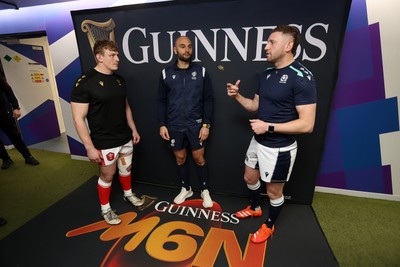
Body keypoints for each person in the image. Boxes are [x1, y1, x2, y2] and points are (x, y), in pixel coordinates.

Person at [226, 25, 317, 243]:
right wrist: (237, 97)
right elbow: (255, 106)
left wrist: (269, 127)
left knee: (274, 193)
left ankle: (269, 225)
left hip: (279, 148)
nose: (266, 47)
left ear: (288, 45)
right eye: (267, 42)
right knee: (249, 177)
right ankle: (256, 207)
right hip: (258, 140)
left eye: (271, 43)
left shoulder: (302, 77)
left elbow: (307, 125)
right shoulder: (267, 74)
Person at [70, 40, 144, 225]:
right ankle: (106, 209)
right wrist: (89, 148)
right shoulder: (84, 82)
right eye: (112, 55)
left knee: (126, 169)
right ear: (99, 57)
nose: (117, 59)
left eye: (117, 54)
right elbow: (78, 118)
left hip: (124, 136)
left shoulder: (119, 80)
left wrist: (133, 128)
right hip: (104, 141)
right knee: (108, 175)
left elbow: (126, 106)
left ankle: (128, 194)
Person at [157, 36, 214, 208]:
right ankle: (186, 188)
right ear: (175, 50)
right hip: (174, 125)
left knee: (199, 158)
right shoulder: (166, 73)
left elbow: (208, 100)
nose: (186, 50)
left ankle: (204, 190)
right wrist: (162, 124)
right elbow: (161, 100)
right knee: (180, 158)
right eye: (182, 46)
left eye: (189, 46)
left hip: (195, 125)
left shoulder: (201, 72)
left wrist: (206, 124)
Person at [0, 73, 40, 169]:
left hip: (2, 113)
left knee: (14, 135)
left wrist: (15, 107)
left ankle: (28, 156)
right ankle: (6, 159)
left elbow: (8, 91)